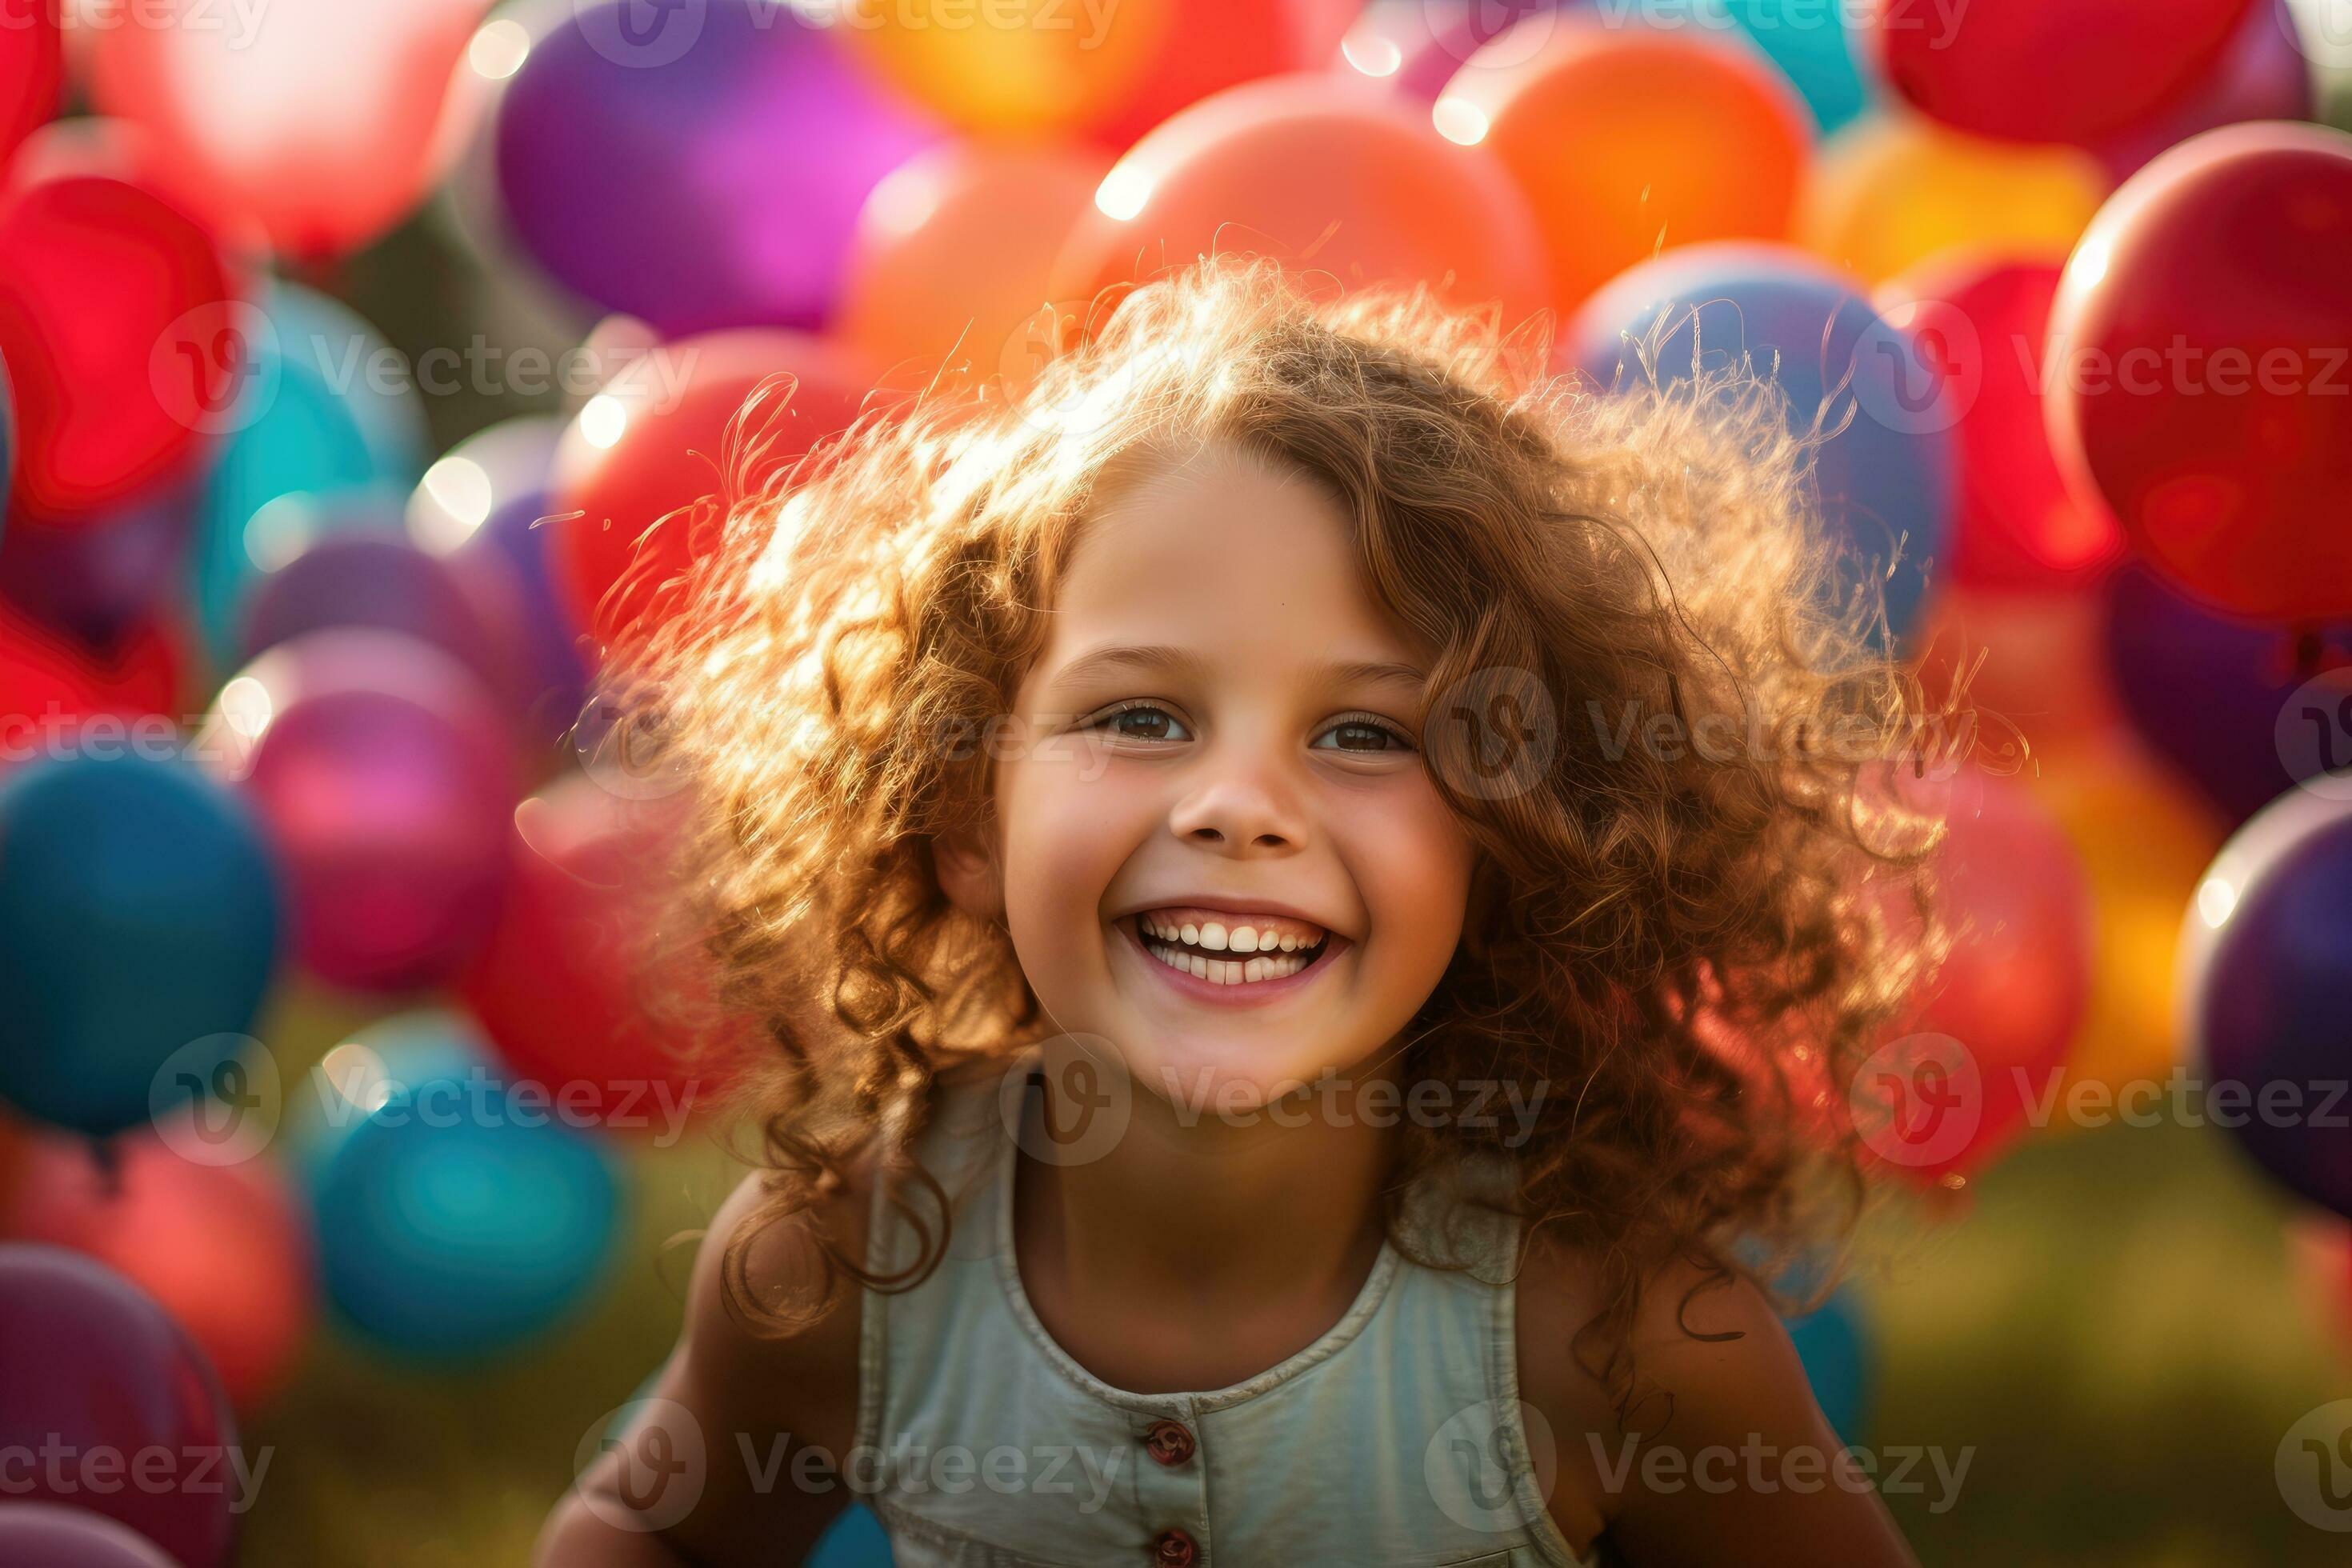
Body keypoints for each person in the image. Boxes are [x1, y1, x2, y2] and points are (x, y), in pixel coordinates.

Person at [535, 254, 1954, 1566]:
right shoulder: (846, 1265)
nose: (1240, 804)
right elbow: (648, 1532)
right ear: (966, 810)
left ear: (1516, 832)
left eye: (1365, 735)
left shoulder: (1608, 1333)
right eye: (1142, 713)